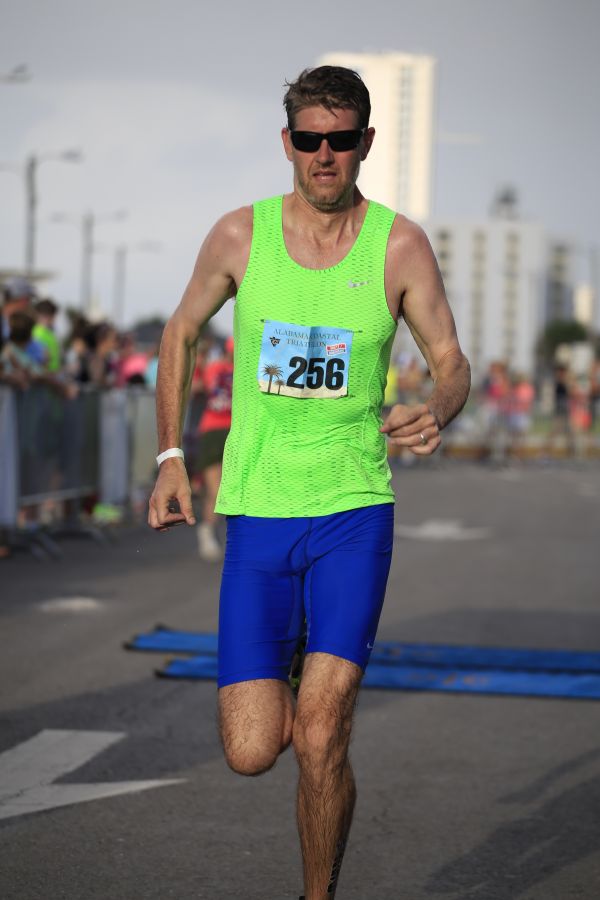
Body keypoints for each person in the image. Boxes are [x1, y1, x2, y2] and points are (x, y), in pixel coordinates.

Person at [148, 65, 470, 900]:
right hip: (258, 511)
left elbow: (451, 359)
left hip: (353, 510)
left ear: (365, 143)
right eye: (308, 140)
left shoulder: (398, 244)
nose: (324, 156)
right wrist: (170, 455)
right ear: (287, 143)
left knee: (322, 731)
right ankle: (295, 662)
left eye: (341, 140)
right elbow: (179, 332)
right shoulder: (237, 237)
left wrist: (438, 406)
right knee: (253, 750)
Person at [194, 336, 234, 560]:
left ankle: (223, 534)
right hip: (213, 431)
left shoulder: (248, 368)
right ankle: (208, 530)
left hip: (236, 430)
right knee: (214, 487)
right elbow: (197, 384)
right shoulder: (214, 367)